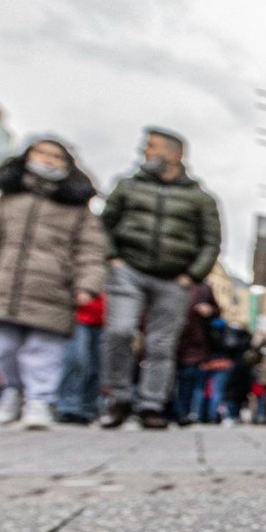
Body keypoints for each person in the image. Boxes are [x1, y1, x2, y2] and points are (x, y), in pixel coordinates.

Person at [0, 136, 109, 430]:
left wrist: (87, 284)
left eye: (56, 156)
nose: (48, 160)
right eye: (41, 153)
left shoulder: (77, 207)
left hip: (54, 288)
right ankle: (12, 391)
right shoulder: (9, 199)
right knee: (2, 349)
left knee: (44, 351)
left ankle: (39, 400)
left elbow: (91, 249)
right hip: (7, 285)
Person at [98, 126, 222, 429]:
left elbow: (211, 242)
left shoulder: (200, 199)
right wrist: (113, 258)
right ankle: (119, 397)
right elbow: (103, 225)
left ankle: (151, 404)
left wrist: (191, 276)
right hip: (129, 269)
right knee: (119, 331)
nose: (145, 152)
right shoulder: (126, 186)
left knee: (162, 344)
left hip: (174, 278)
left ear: (174, 154)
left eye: (152, 146)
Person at [55, 291, 106, 424]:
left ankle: (88, 409)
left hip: (105, 318)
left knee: (96, 368)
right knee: (76, 360)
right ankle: (68, 407)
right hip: (78, 316)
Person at [172, 281, 218, 425]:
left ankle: (182, 413)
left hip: (193, 343)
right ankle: (168, 411)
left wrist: (209, 310)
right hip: (170, 338)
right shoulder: (167, 281)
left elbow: (216, 311)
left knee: (187, 380)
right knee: (166, 378)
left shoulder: (203, 288)